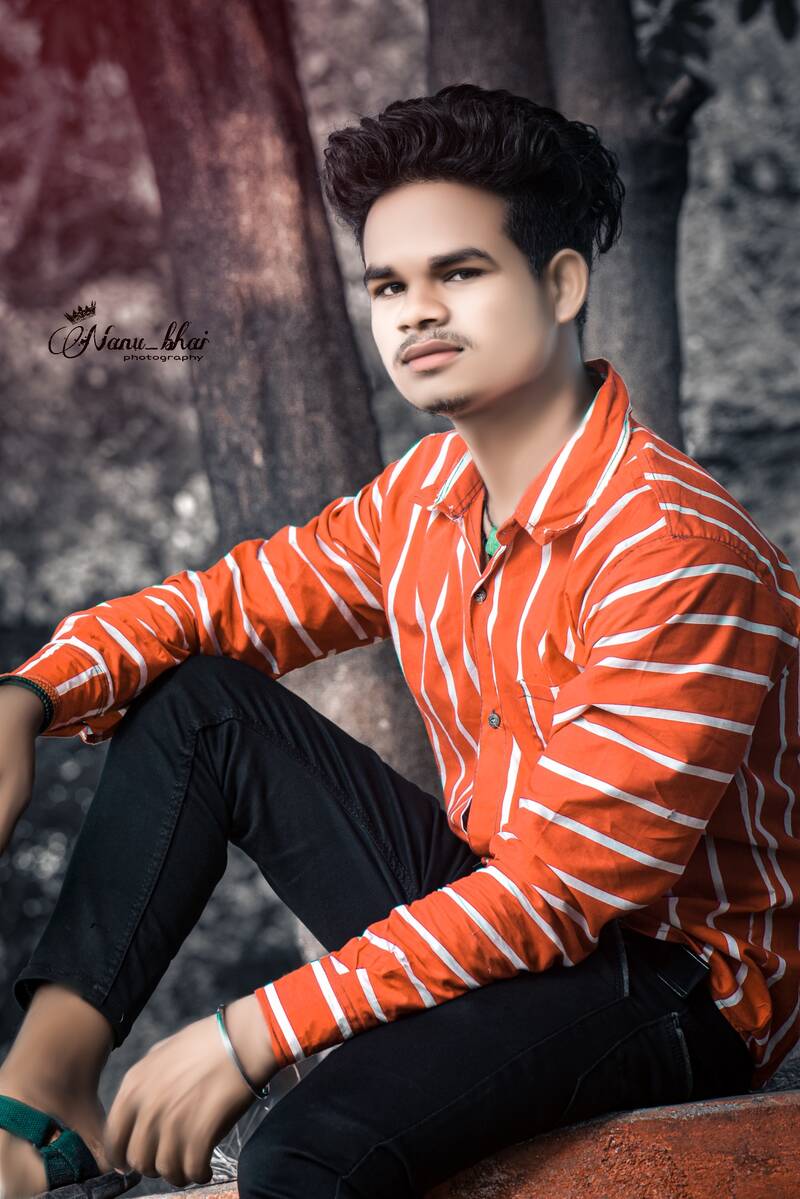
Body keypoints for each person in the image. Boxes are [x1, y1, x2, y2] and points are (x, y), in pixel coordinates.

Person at [0, 83, 798, 1199]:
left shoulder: (672, 548)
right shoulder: (426, 495)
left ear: (560, 284)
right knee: (202, 706)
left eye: (457, 273)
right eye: (388, 284)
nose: (415, 313)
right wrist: (26, 697)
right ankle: (42, 1101)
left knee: (301, 1153)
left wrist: (249, 1030)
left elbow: (559, 894)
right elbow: (223, 604)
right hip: (500, 905)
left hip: (669, 983)